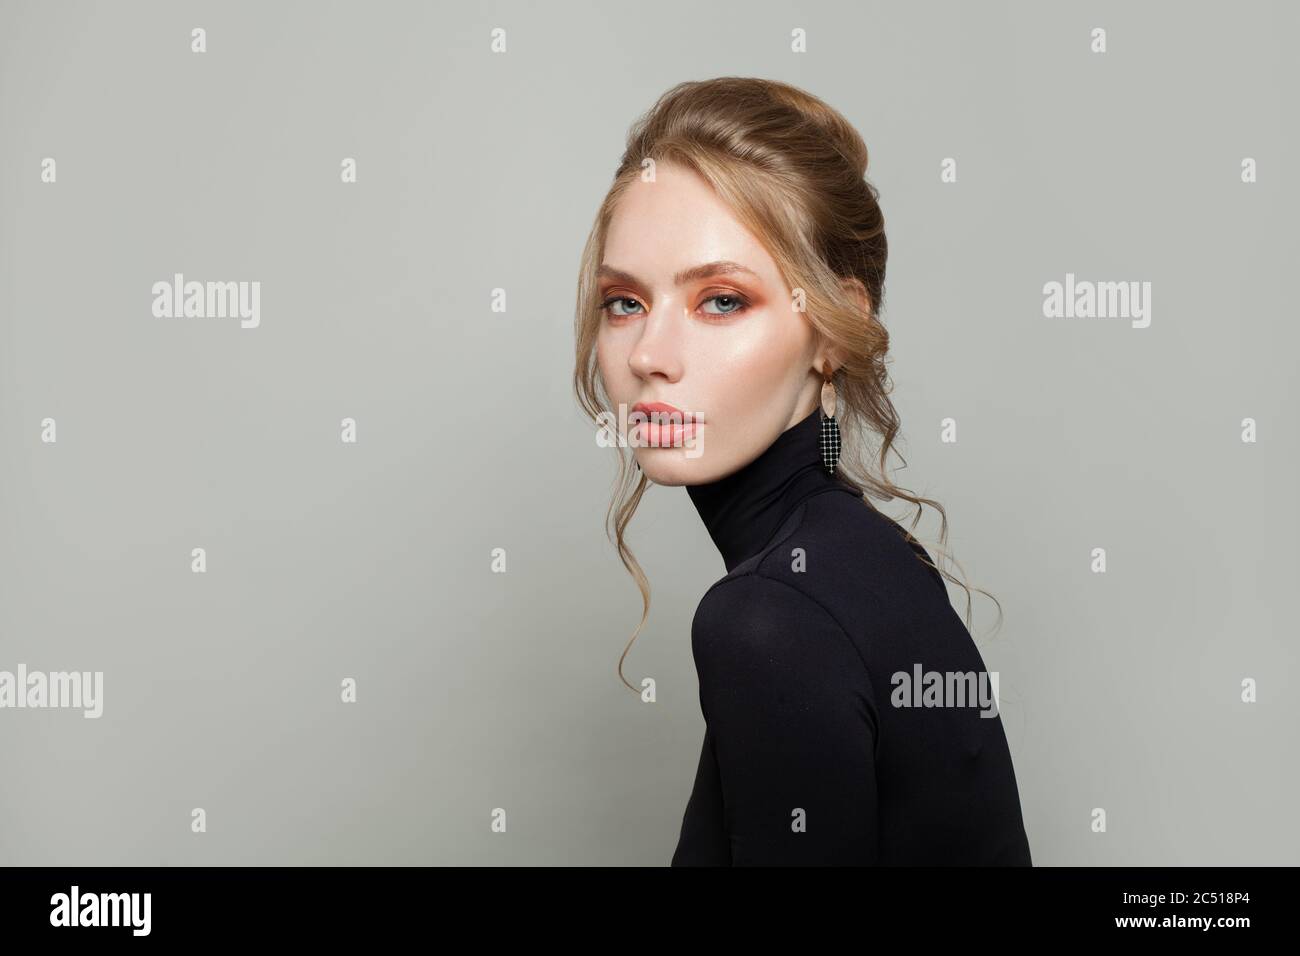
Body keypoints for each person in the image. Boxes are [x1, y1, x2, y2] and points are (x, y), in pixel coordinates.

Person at [573, 76, 1032, 865]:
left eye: (721, 301)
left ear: (834, 328)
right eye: (625, 303)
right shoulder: (865, 554)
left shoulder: (768, 614)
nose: (649, 356)